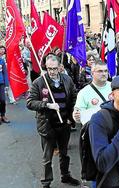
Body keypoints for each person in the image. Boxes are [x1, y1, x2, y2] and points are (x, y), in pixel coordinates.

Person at [26, 54, 80, 188]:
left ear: (59, 67)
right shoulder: (39, 82)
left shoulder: (67, 80)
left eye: (54, 68)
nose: (52, 72)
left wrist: (71, 118)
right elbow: (30, 102)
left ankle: (65, 176)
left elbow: (74, 98)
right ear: (45, 67)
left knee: (64, 154)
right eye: (49, 68)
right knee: (47, 157)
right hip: (47, 125)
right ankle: (46, 182)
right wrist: (47, 105)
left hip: (64, 124)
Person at [0, 56, 10, 124]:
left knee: (3, 100)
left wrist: (6, 84)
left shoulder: (1, 60)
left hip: (1, 83)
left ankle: (3, 115)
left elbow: (5, 72)